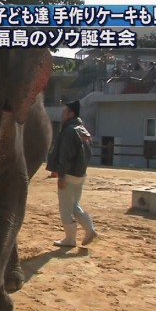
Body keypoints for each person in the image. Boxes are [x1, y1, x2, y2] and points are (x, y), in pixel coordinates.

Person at [48, 100, 98, 247]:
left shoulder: (69, 131)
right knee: (74, 205)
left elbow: (65, 155)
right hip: (80, 174)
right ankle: (89, 229)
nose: (63, 114)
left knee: (65, 209)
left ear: (72, 113)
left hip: (69, 174)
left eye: (65, 111)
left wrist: (61, 175)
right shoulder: (83, 129)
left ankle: (70, 239)